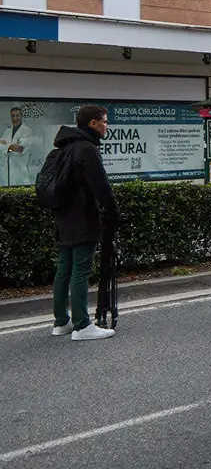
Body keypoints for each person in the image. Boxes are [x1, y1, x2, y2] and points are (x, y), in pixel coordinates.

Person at [50, 105, 119, 341]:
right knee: (80, 270)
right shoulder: (87, 148)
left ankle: (62, 322)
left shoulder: (65, 146)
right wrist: (114, 213)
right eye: (104, 121)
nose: (106, 126)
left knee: (64, 269)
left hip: (64, 218)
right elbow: (101, 187)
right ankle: (82, 325)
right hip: (83, 218)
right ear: (93, 123)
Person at [1, 107, 38, 187]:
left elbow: (20, 149)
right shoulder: (8, 131)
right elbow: (1, 146)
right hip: (7, 170)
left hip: (20, 170)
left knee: (20, 190)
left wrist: (6, 147)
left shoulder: (27, 131)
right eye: (13, 116)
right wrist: (11, 147)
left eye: (17, 115)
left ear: (21, 116)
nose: (15, 118)